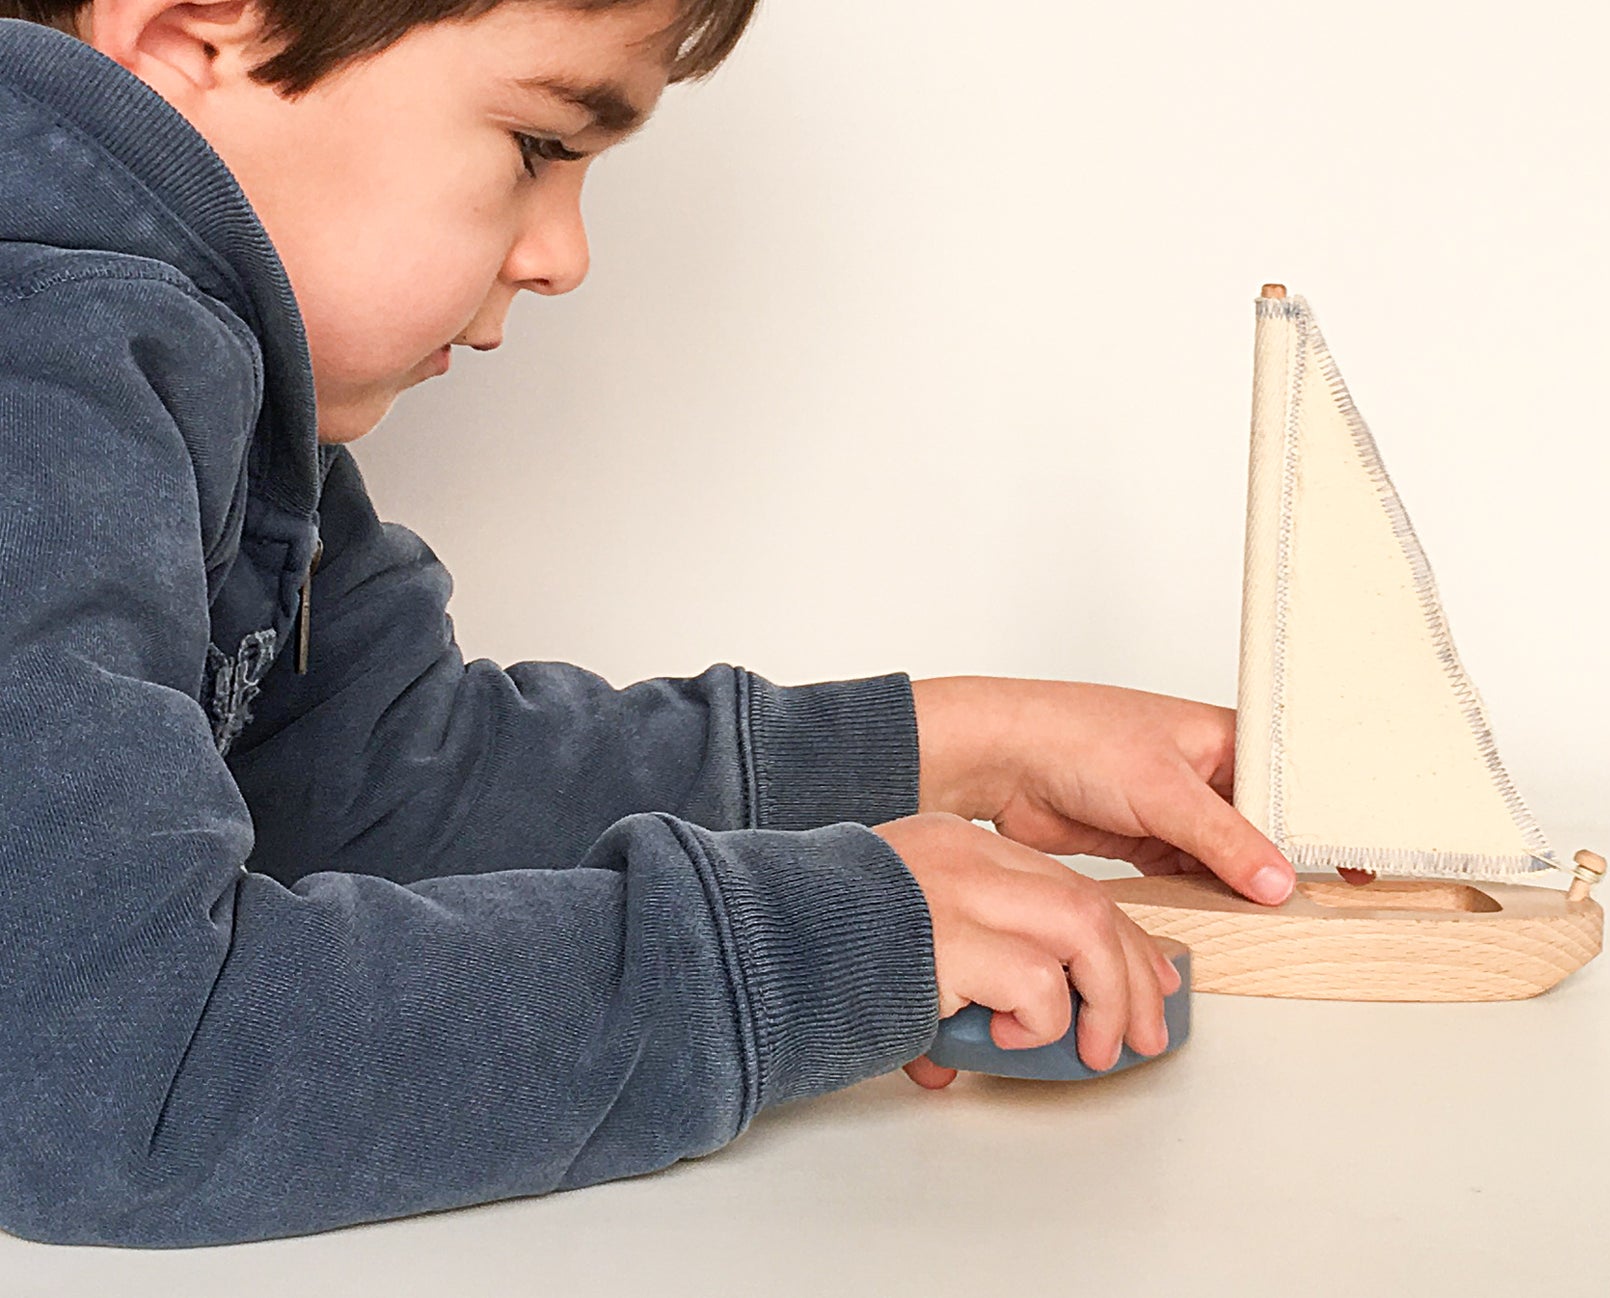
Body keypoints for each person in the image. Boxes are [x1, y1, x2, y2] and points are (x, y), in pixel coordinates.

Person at [0, 0, 1318, 1249]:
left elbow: (375, 788)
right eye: (536, 147)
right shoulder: (46, 354)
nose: (564, 254)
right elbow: (108, 1076)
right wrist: (810, 949)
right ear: (186, 34)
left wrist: (965, 747)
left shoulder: (175, 346)